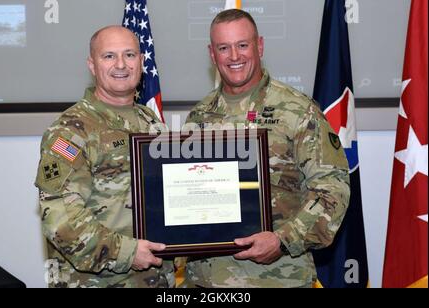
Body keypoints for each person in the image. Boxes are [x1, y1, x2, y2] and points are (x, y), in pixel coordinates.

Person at [183, 9, 350, 288]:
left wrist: (284, 239)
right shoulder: (200, 115)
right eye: (224, 48)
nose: (234, 56)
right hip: (206, 280)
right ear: (212, 55)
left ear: (259, 46)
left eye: (243, 45)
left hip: (277, 278)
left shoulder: (298, 110)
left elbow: (333, 190)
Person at [35, 26, 174, 288]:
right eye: (109, 56)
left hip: (156, 280)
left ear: (141, 62)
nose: (121, 64)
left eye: (130, 55)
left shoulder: (151, 123)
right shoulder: (69, 132)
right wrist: (127, 253)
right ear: (92, 64)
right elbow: (60, 220)